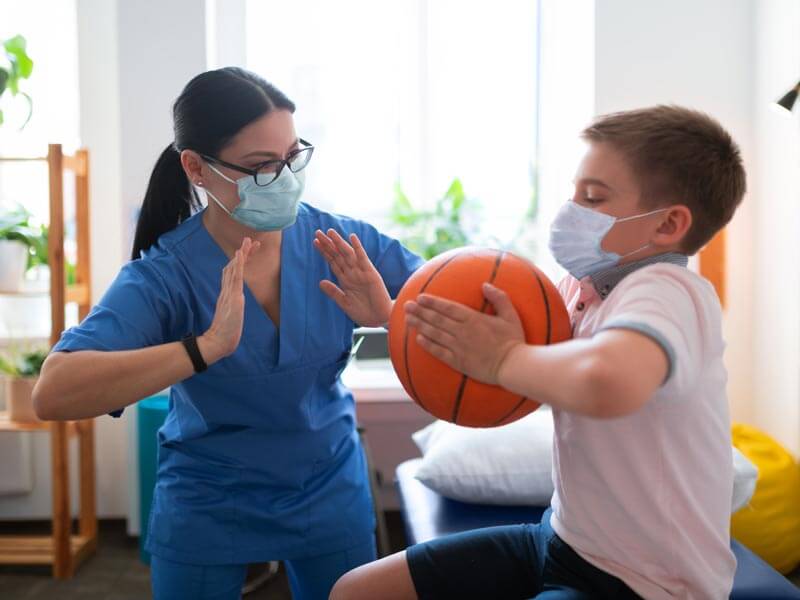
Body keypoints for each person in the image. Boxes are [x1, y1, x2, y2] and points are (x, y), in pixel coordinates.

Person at [32, 67, 423, 600]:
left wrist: (389, 312)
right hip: (210, 499)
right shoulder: (166, 275)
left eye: (292, 158)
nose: (285, 179)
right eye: (262, 167)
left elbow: (459, 314)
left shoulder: (342, 246)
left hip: (326, 487)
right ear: (195, 168)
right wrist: (204, 348)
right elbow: (54, 391)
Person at [329, 105, 747, 599]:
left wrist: (504, 360)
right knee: (356, 591)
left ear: (668, 225)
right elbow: (488, 336)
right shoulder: (581, 287)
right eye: (574, 192)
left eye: (592, 197)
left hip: (649, 584)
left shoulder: (671, 292)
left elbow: (606, 382)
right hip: (564, 541)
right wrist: (392, 315)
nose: (570, 209)